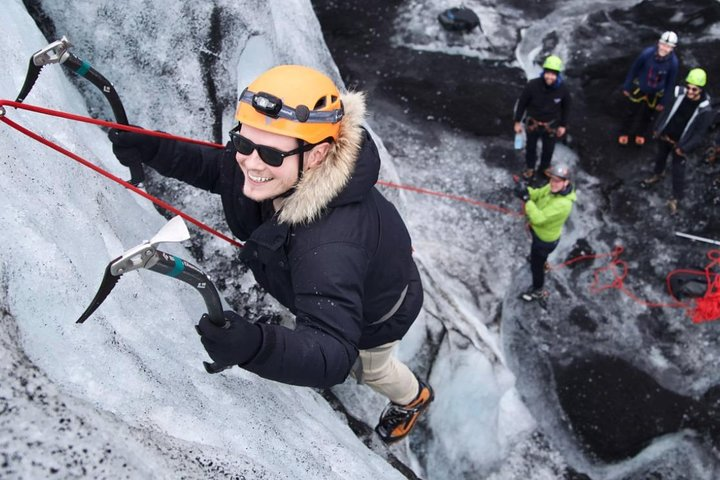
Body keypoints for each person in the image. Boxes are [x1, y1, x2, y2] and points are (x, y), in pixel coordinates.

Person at [107, 65, 433, 443]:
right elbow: (221, 169)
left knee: (372, 369)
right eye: (243, 144)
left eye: (271, 155)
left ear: (317, 155)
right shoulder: (277, 162)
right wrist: (154, 147)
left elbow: (334, 352)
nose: (251, 162)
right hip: (343, 276)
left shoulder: (328, 245)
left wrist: (258, 346)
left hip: (378, 315)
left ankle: (413, 398)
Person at [641, 68, 713, 214]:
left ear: (701, 90)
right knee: (660, 157)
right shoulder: (679, 94)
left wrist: (685, 148)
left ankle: (676, 198)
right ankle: (657, 174)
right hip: (666, 135)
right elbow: (666, 111)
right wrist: (658, 128)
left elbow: (699, 134)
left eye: (694, 89)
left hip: (681, 143)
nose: (690, 92)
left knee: (678, 170)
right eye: (689, 87)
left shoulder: (705, 109)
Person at [514, 164, 577, 304]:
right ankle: (543, 263)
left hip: (544, 241)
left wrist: (526, 199)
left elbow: (539, 218)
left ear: (566, 182)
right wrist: (525, 191)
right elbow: (536, 195)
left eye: (558, 181)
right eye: (552, 179)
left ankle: (538, 290)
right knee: (538, 258)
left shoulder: (563, 204)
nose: (553, 184)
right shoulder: (552, 188)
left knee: (536, 267)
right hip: (538, 233)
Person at [513, 55, 572, 180]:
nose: (549, 77)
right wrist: (517, 121)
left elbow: (566, 107)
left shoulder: (562, 90)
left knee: (548, 149)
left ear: (557, 75)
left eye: (553, 74)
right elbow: (522, 103)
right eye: (548, 73)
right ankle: (530, 168)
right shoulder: (532, 86)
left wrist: (563, 125)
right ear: (544, 72)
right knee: (531, 147)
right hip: (532, 123)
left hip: (550, 125)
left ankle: (544, 168)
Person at [618, 31, 680, 147]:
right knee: (631, 112)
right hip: (640, 88)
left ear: (673, 48)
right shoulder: (647, 54)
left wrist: (664, 101)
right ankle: (624, 132)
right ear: (659, 43)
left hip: (655, 93)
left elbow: (670, 83)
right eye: (663, 45)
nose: (664, 48)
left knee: (647, 115)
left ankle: (640, 133)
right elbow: (634, 69)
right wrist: (627, 85)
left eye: (668, 47)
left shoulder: (673, 63)